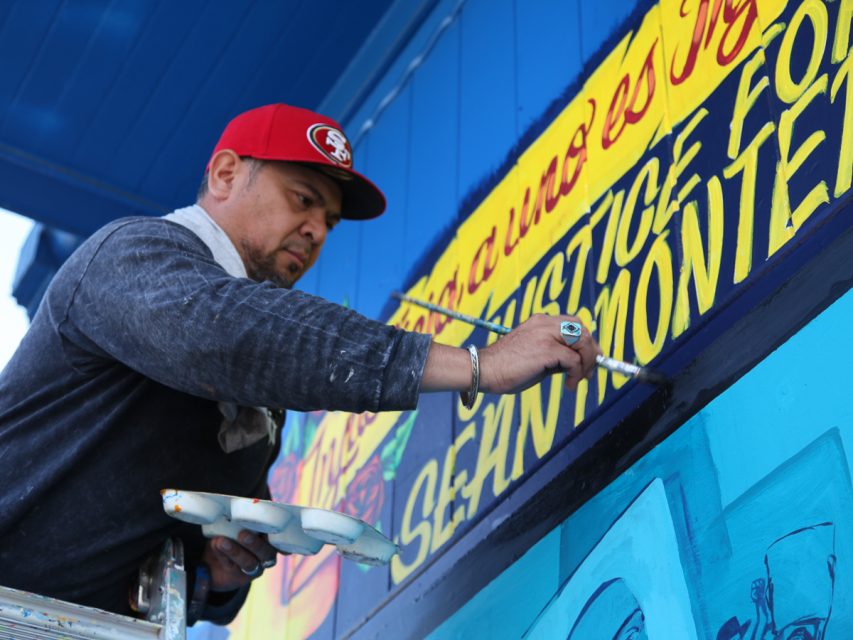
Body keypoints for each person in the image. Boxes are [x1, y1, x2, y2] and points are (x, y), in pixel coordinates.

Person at [0, 104, 600, 625]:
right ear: (227, 173)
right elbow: (234, 337)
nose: (315, 231)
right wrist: (479, 366)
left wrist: (219, 571)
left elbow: (191, 556)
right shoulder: (131, 253)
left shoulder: (262, 396)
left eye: (329, 223)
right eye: (303, 200)